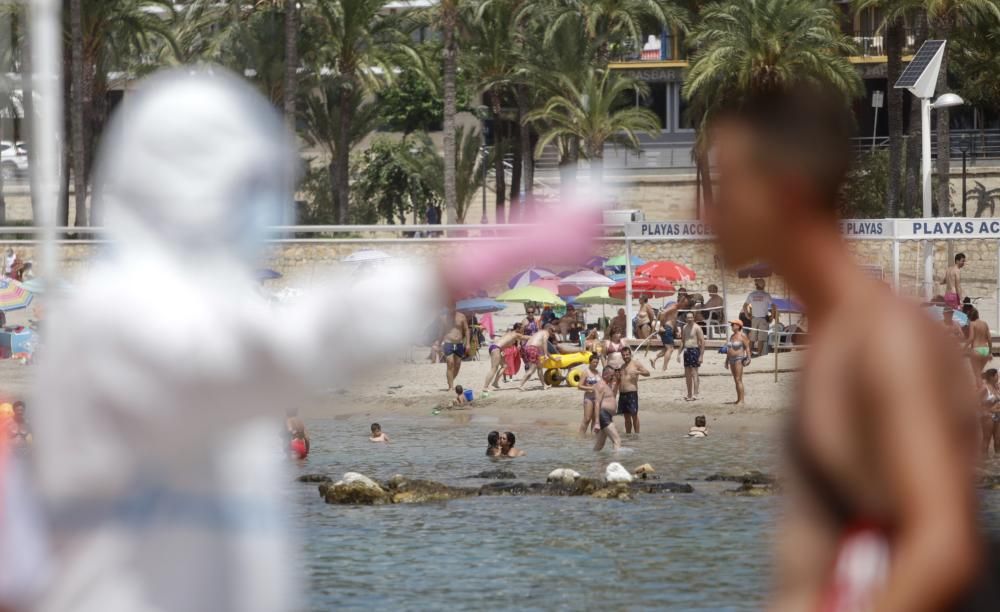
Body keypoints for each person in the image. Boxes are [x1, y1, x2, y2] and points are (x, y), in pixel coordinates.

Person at [16, 68, 601, 612]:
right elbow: (289, 343)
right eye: (247, 185)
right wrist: (464, 263)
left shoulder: (190, 304)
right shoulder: (120, 314)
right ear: (190, 187)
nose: (264, 205)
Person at [708, 86, 982, 611]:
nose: (707, 212)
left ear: (784, 193)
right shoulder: (835, 341)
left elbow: (942, 543)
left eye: (727, 187)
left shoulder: (885, 342)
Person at [483, 323, 529, 390]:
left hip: (495, 348)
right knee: (493, 368)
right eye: (522, 329)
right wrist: (536, 336)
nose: (523, 330)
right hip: (496, 349)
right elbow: (525, 337)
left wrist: (502, 351)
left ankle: (495, 383)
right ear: (518, 329)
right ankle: (485, 387)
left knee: (504, 366)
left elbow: (504, 342)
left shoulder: (510, 333)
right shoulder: (516, 334)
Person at [617, 347, 649, 434]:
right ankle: (628, 436)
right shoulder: (622, 367)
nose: (625, 356)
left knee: (634, 416)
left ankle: (637, 435)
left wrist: (639, 372)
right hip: (622, 394)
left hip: (632, 393)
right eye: (623, 355)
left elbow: (648, 373)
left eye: (627, 354)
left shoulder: (636, 363)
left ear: (630, 354)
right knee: (626, 417)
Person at [651, 296, 687, 371]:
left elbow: (673, 320)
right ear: (681, 301)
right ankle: (664, 368)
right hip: (667, 329)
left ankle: (654, 358)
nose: (685, 306)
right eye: (685, 304)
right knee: (670, 349)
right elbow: (663, 313)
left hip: (669, 329)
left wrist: (676, 330)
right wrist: (661, 326)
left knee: (667, 348)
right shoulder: (674, 306)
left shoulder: (676, 308)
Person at [592, 366, 622, 452]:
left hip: (607, 415)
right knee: (617, 440)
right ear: (605, 374)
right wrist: (597, 422)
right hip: (603, 415)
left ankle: (596, 463)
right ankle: (616, 464)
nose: (613, 377)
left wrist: (618, 382)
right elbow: (597, 403)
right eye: (611, 375)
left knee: (600, 444)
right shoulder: (600, 385)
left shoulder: (606, 385)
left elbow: (613, 395)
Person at [441, 306, 470, 391]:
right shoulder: (444, 317)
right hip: (448, 342)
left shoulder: (461, 316)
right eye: (449, 306)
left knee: (457, 365)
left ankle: (450, 381)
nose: (451, 308)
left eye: (452, 305)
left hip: (459, 343)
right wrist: (439, 343)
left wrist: (468, 344)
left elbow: (466, 330)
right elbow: (442, 331)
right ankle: (451, 386)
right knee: (450, 363)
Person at [678, 312, 704, 401]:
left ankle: (695, 394)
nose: (689, 319)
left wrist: (701, 355)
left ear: (693, 318)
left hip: (694, 350)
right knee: (687, 374)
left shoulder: (697, 328)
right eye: (688, 318)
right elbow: (682, 341)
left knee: (694, 373)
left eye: (691, 317)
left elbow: (702, 342)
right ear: (685, 318)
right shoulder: (684, 327)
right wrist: (678, 353)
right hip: (686, 350)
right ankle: (689, 394)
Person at [725, 320, 751, 405]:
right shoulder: (732, 336)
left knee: (738, 379)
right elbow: (729, 349)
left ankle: (742, 400)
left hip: (739, 358)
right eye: (731, 324)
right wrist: (726, 360)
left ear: (738, 326)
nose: (731, 326)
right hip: (731, 359)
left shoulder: (742, 336)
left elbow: (747, 347)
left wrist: (749, 358)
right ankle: (738, 399)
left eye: (733, 324)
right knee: (735, 380)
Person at [744, 278, 772, 356]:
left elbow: (745, 306)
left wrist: (747, 315)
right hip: (763, 319)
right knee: (761, 339)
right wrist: (772, 317)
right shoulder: (766, 295)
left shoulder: (752, 294)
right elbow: (773, 306)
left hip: (754, 318)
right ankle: (759, 354)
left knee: (752, 338)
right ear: (763, 286)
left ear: (756, 286)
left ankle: (749, 354)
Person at [518, 326, 552, 390]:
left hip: (528, 348)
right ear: (549, 330)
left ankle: (544, 385)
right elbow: (545, 343)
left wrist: (547, 355)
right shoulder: (546, 333)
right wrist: (545, 355)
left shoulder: (538, 333)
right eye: (552, 331)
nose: (552, 333)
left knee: (539, 368)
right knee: (531, 370)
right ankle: (520, 385)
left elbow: (541, 346)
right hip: (533, 349)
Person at [577, 354, 602, 434]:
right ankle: (581, 435)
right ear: (590, 362)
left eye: (597, 362)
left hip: (597, 398)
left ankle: (593, 437)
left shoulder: (598, 372)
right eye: (594, 362)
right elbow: (579, 386)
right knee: (587, 418)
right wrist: (591, 388)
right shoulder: (585, 372)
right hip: (589, 398)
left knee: (595, 419)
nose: (595, 364)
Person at [968, 307, 992, 380]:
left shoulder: (972, 324)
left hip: (976, 350)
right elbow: (989, 339)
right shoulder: (984, 323)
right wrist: (990, 352)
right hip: (985, 350)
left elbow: (971, 338)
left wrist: (964, 347)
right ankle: (981, 387)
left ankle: (980, 388)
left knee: (976, 374)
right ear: (978, 315)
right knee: (979, 372)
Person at [980, 370, 1000, 456]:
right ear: (992, 377)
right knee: (987, 440)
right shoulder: (984, 388)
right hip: (988, 416)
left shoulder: (996, 387)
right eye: (997, 375)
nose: (998, 377)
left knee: (998, 440)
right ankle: (984, 461)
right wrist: (988, 410)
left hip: (998, 416)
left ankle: (996, 462)